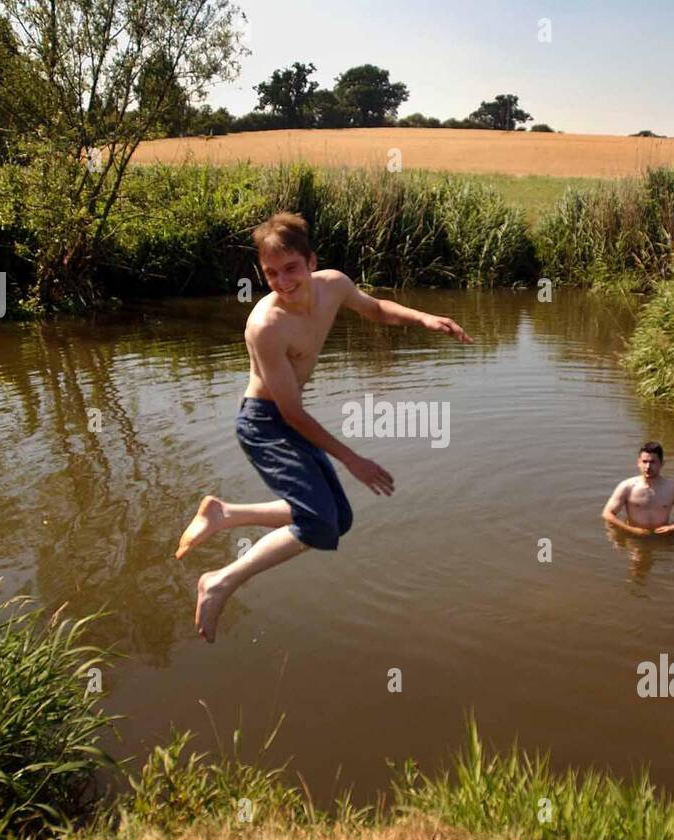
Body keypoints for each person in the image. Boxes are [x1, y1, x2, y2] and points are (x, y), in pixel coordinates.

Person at [174, 212, 473, 642]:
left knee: (338, 521)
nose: (282, 281)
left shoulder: (334, 285)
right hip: (264, 423)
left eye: (291, 268)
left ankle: (226, 514)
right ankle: (220, 581)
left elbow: (376, 310)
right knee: (318, 524)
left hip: (287, 416)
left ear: (311, 262)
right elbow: (291, 413)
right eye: (271, 273)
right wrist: (353, 459)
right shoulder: (266, 326)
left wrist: (423, 318)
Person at [601, 441, 674, 536]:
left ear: (662, 463)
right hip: (633, 537)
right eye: (644, 462)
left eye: (653, 462)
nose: (648, 467)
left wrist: (672, 527)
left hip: (663, 537)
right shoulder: (627, 486)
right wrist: (631, 530)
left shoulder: (673, 488)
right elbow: (607, 514)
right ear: (638, 463)